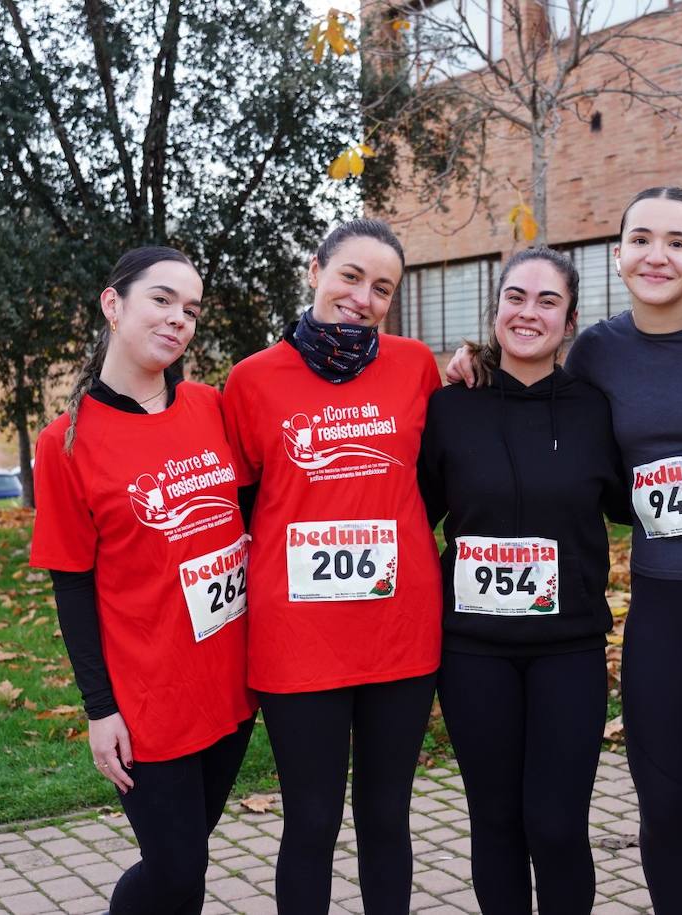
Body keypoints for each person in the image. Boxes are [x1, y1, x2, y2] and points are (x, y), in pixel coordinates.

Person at [449, 187, 682, 915]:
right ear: (618, 255)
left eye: (677, 241)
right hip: (659, 610)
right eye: (641, 238)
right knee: (665, 806)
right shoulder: (597, 352)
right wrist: (473, 362)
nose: (657, 255)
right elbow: (534, 387)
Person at [220, 218, 442, 915]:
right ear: (315, 269)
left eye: (382, 288)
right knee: (311, 822)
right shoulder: (250, 381)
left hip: (398, 633)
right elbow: (247, 504)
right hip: (298, 640)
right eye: (351, 276)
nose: (363, 297)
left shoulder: (416, 366)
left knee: (387, 819)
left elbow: (430, 481)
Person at [30, 246, 257, 915]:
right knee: (178, 869)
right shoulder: (66, 442)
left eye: (191, 309)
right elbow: (71, 584)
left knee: (184, 861)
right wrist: (100, 709)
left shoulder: (212, 407)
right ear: (113, 303)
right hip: (148, 697)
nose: (179, 319)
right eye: (162, 299)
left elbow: (259, 504)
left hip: (230, 683)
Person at [418, 247, 629, 914]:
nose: (528, 311)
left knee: (559, 824)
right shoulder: (451, 407)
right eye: (515, 297)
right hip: (473, 651)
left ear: (570, 321)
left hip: (567, 649)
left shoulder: (597, 410)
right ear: (496, 307)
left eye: (547, 301)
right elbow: (411, 512)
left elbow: (632, 504)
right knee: (498, 822)